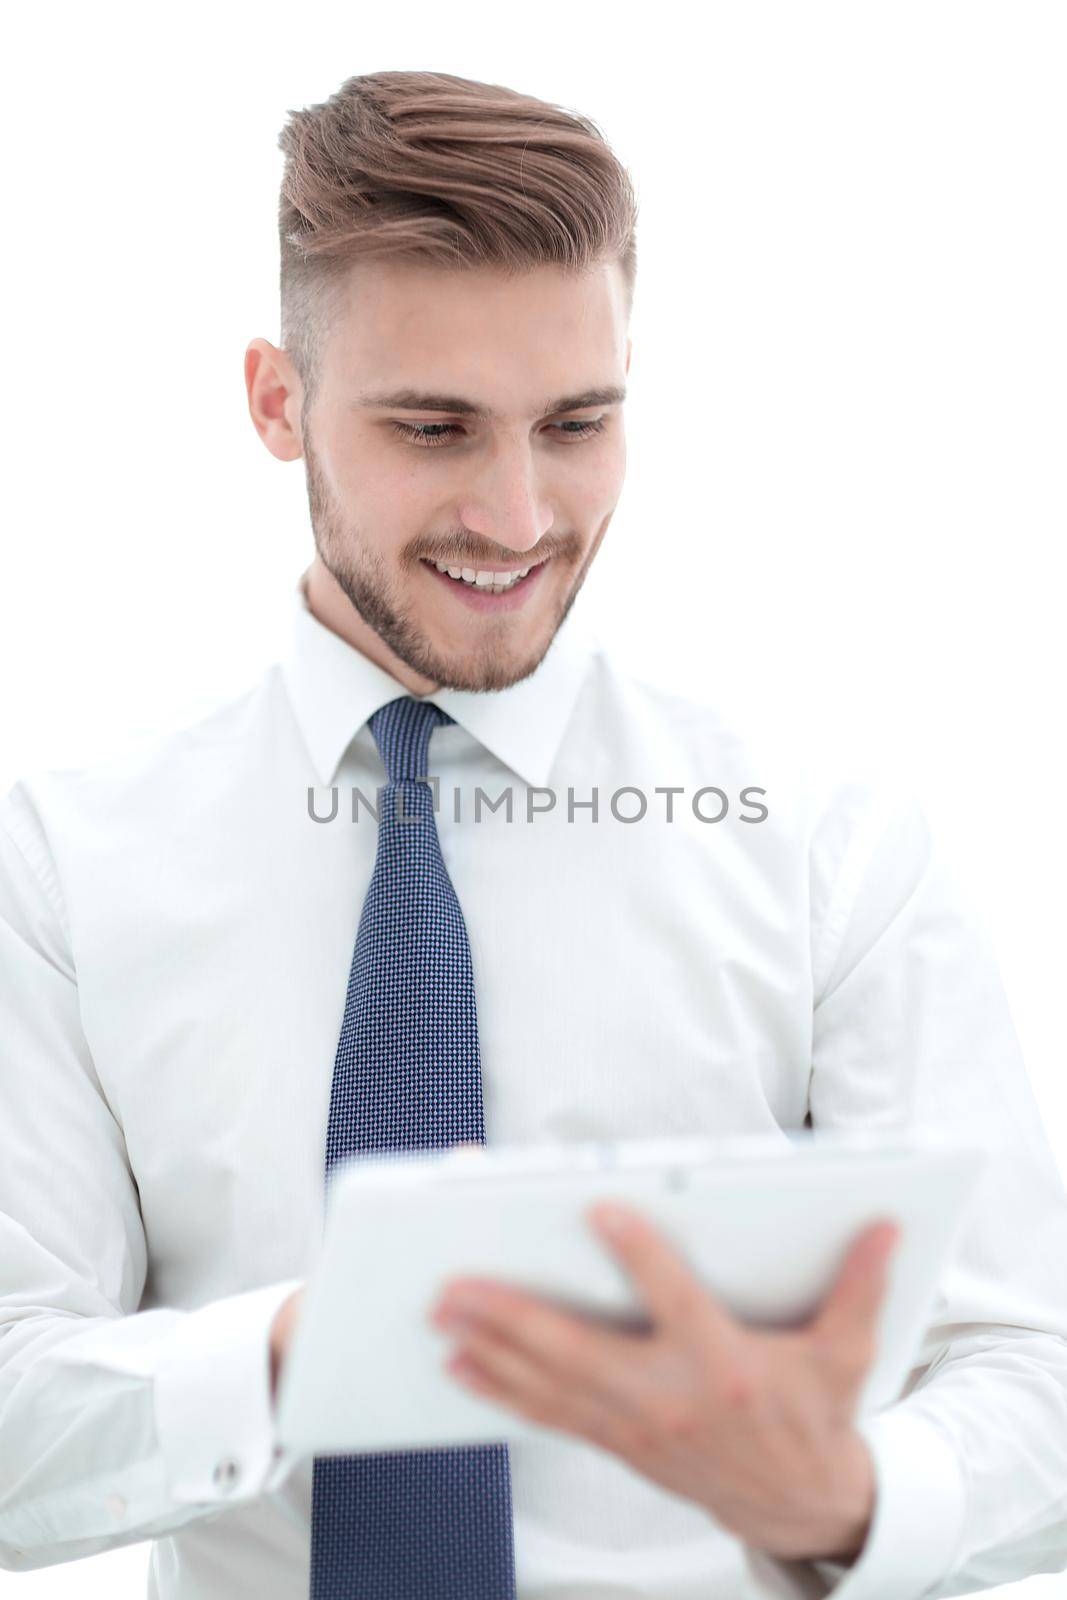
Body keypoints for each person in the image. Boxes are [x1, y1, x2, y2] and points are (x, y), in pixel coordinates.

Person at [2, 67, 1067, 1600]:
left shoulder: (826, 844)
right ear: (274, 400)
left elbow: (1033, 1367)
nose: (517, 515)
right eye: (434, 428)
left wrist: (850, 1497)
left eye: (577, 423)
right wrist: (320, 1348)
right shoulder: (64, 866)